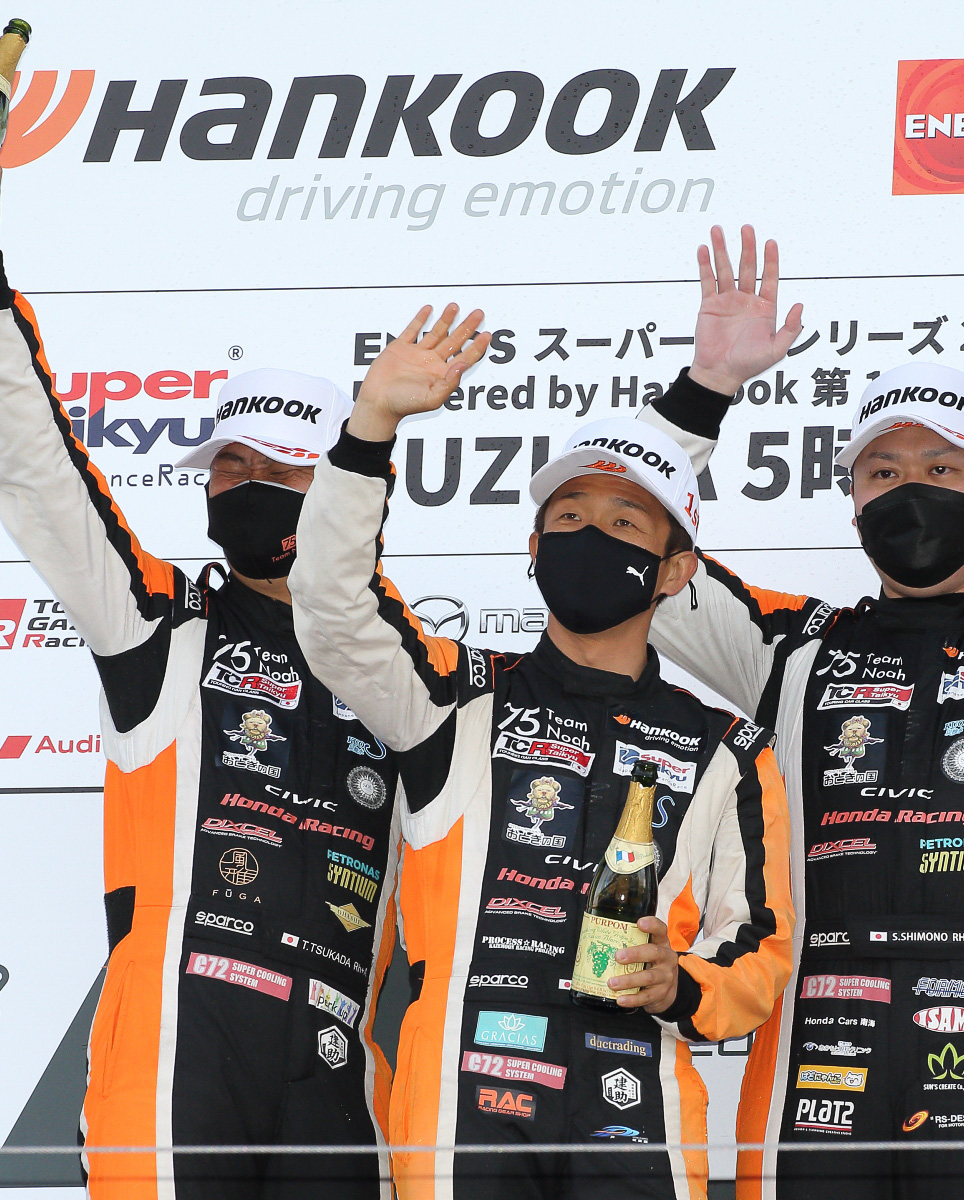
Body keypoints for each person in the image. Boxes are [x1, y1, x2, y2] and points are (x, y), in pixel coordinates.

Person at [0, 140, 409, 1199]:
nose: (243, 485)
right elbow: (39, 471)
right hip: (179, 1046)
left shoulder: (416, 673)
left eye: (278, 470)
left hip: (341, 1070)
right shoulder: (158, 624)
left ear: (348, 484)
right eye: (229, 466)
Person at [637, 228, 964, 1198]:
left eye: (942, 467)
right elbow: (635, 554)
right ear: (850, 500)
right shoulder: (795, 648)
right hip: (806, 1086)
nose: (910, 488)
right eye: (882, 472)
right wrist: (705, 389)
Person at [287, 305, 796, 1200]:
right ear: (533, 547)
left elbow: (760, 946)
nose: (591, 536)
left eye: (625, 524)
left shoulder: (723, 748)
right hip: (461, 1099)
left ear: (676, 571)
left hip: (637, 1108)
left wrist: (681, 986)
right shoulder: (451, 695)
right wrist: (370, 428)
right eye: (568, 516)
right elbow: (332, 608)